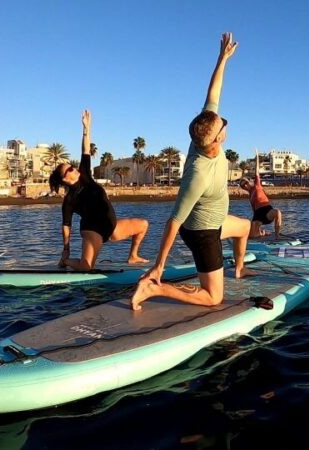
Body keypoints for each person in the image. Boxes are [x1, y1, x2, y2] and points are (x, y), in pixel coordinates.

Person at [131, 32, 252, 311]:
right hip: (202, 231)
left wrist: (222, 59)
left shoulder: (203, 134)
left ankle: (240, 268)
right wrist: (159, 265)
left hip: (218, 220)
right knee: (213, 298)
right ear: (218, 139)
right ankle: (154, 288)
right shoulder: (199, 174)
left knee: (244, 227)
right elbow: (174, 220)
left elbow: (213, 93)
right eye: (224, 125)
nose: (225, 123)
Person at [48, 110, 149, 271]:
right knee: (86, 267)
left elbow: (85, 150)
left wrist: (86, 128)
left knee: (143, 225)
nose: (75, 168)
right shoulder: (69, 200)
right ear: (65, 179)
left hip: (111, 227)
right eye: (71, 169)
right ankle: (65, 262)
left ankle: (133, 256)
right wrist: (66, 249)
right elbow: (66, 225)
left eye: (73, 166)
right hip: (92, 230)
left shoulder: (85, 175)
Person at [239, 150, 283, 239]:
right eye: (243, 186)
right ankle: (261, 233)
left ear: (249, 182)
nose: (245, 185)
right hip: (258, 215)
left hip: (267, 210)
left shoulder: (257, 185)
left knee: (278, 212)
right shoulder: (250, 197)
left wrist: (257, 157)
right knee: (252, 236)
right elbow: (254, 210)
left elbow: (256, 171)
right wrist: (256, 225)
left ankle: (277, 235)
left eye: (246, 183)